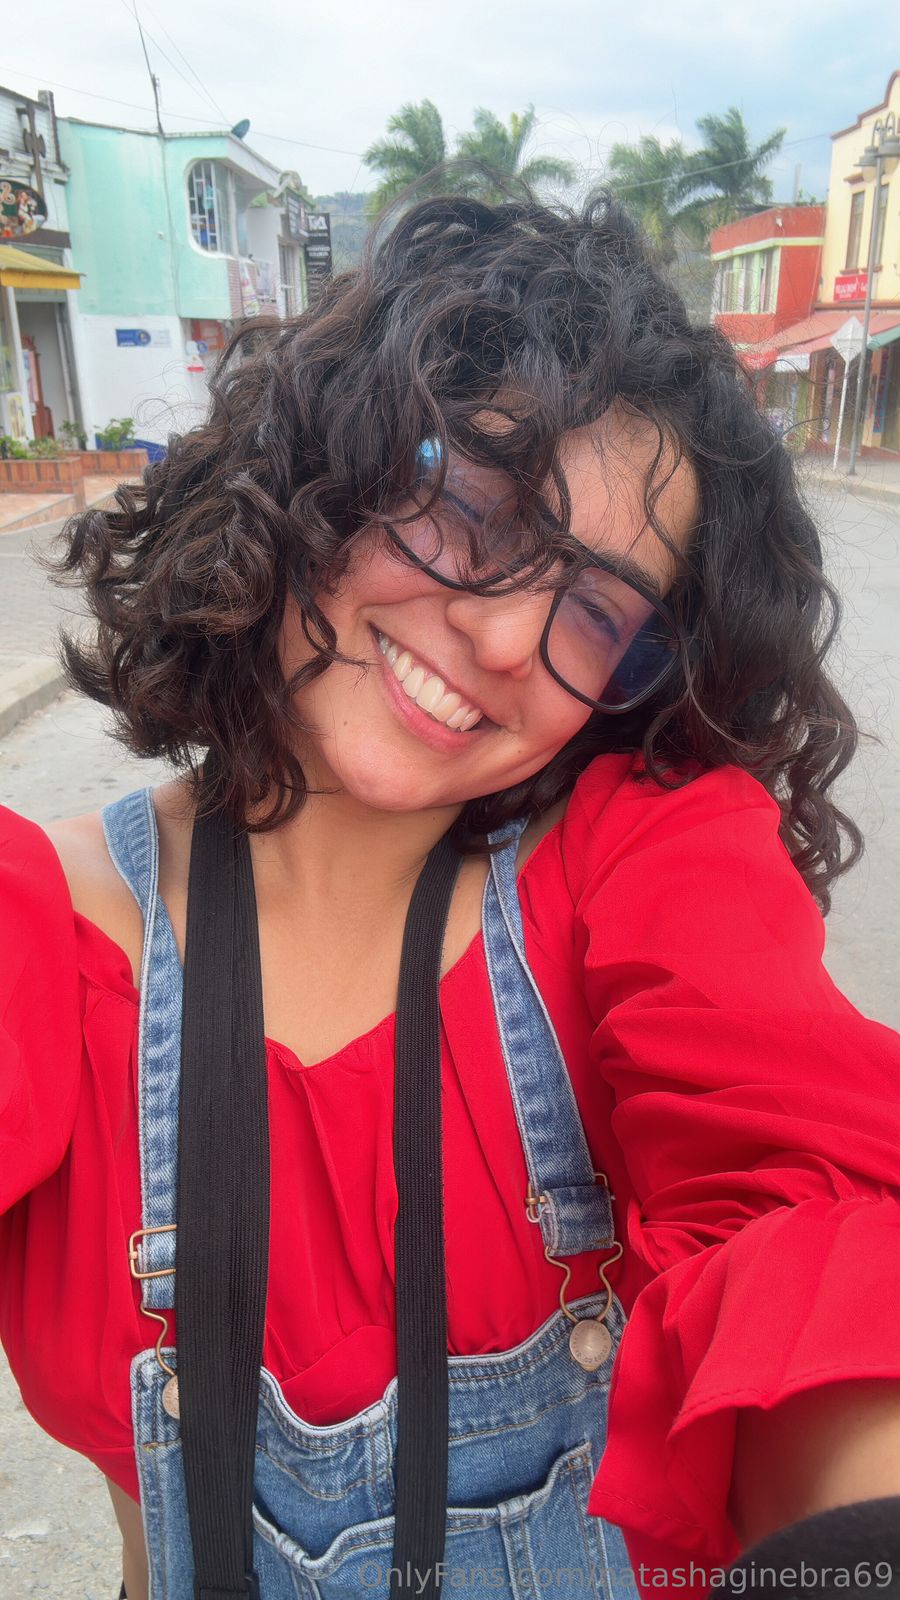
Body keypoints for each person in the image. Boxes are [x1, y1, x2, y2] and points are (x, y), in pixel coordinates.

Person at [1, 193, 899, 1600]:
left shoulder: (642, 867)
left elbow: (806, 1212)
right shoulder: (44, 934)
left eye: (595, 611)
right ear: (326, 465)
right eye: (476, 511)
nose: (506, 637)